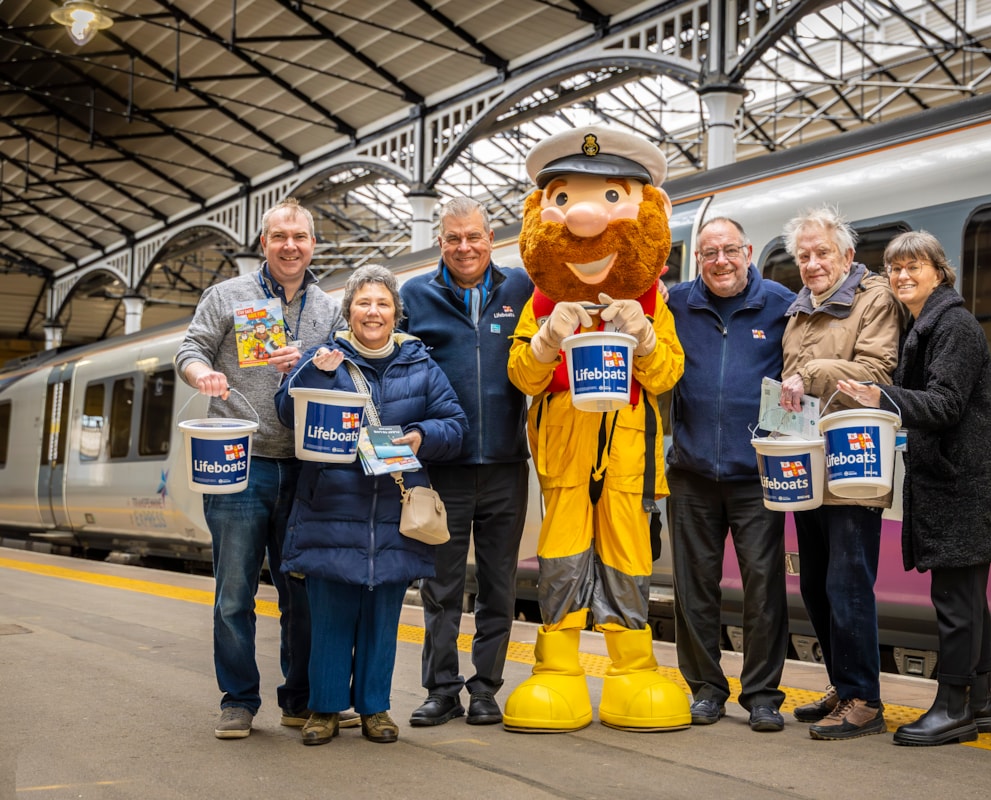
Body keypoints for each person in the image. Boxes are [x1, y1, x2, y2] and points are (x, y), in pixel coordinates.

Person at [504, 126, 690, 732]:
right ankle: (557, 668)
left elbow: (667, 373)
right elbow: (522, 374)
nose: (585, 216)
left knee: (628, 558)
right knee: (560, 556)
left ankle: (632, 670)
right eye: (563, 198)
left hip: (630, 462)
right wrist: (546, 340)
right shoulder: (540, 305)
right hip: (564, 458)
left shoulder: (651, 302)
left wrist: (644, 336)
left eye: (612, 197)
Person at [174, 197, 347, 739]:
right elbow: (190, 349)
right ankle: (238, 700)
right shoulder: (227, 296)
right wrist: (202, 375)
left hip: (305, 466)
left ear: (313, 244)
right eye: (279, 237)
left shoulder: (330, 309)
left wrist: (318, 364)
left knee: (302, 594)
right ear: (264, 243)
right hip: (237, 462)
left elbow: (349, 374)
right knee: (234, 592)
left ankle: (299, 699)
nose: (290, 246)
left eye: (300, 237)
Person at [275, 264, 467, 745]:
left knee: (383, 618)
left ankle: (375, 709)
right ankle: (323, 709)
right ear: (349, 312)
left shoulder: (420, 365)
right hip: (331, 507)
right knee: (330, 617)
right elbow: (285, 411)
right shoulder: (326, 358)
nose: (373, 312)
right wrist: (312, 374)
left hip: (393, 513)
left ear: (396, 312)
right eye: (364, 303)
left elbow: (455, 425)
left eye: (383, 303)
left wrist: (421, 435)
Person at [837, 231, 991, 746]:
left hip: (964, 485)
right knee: (969, 601)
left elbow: (945, 404)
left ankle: (952, 708)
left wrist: (882, 397)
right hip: (959, 482)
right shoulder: (930, 324)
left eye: (914, 266)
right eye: (894, 269)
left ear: (939, 271)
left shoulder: (952, 326)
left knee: (956, 601)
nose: (902, 276)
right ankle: (979, 705)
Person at [400, 197, 534, 727]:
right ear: (440, 242)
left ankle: (485, 690)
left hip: (506, 463)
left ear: (491, 238)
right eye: (453, 238)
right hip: (443, 468)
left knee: (500, 585)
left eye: (473, 236)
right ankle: (441, 690)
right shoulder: (415, 295)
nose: (464, 247)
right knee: (440, 588)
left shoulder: (521, 288)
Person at [778, 204, 903, 740]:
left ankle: (864, 700)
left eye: (822, 253)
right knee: (815, 585)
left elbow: (877, 373)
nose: (812, 263)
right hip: (809, 463)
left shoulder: (874, 300)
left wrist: (810, 373)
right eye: (803, 256)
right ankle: (842, 685)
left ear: (847, 255)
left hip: (855, 458)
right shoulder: (799, 310)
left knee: (848, 583)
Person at [666, 217, 795, 732]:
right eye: (709, 253)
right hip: (691, 472)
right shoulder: (678, 304)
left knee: (764, 587)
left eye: (729, 250)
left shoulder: (781, 305)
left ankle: (762, 695)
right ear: (698, 259)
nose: (720, 261)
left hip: (757, 473)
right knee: (693, 587)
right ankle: (705, 689)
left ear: (748, 251)